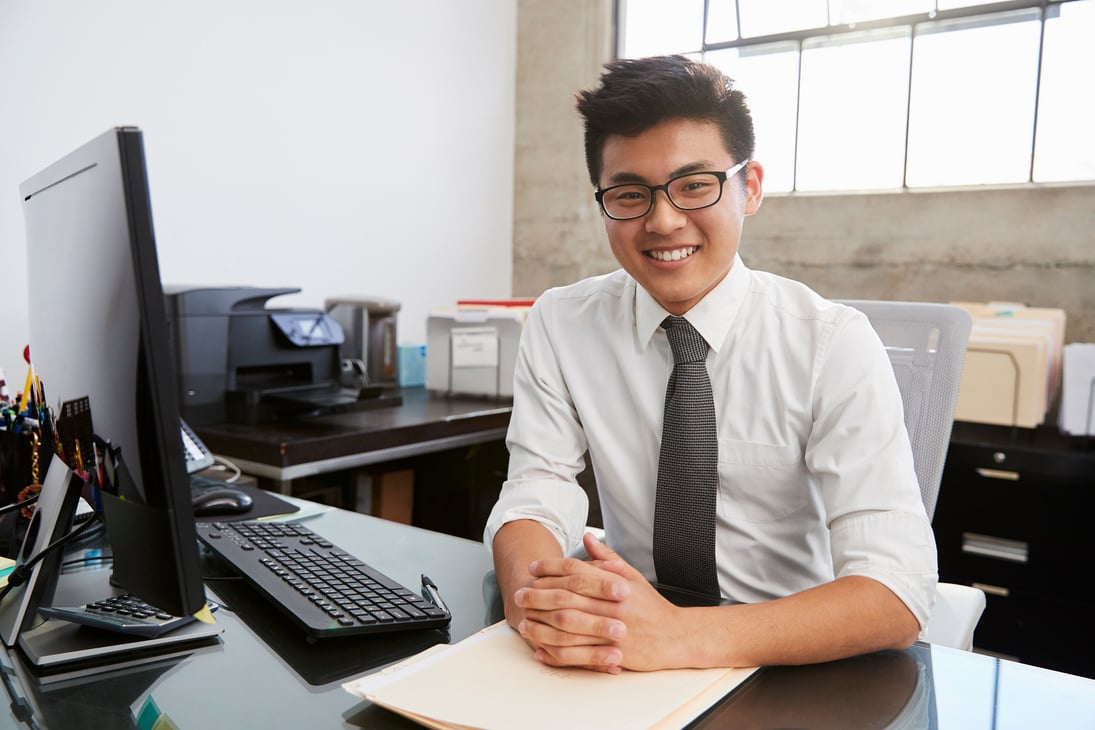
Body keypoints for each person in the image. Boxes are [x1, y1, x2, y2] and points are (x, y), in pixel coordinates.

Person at [484, 55, 937, 674]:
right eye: (629, 194)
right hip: (628, 647)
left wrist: (683, 636)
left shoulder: (833, 343)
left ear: (749, 188)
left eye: (695, 185)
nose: (663, 220)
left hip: (788, 661)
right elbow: (536, 493)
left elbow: (897, 591)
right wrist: (534, 601)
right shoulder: (563, 323)